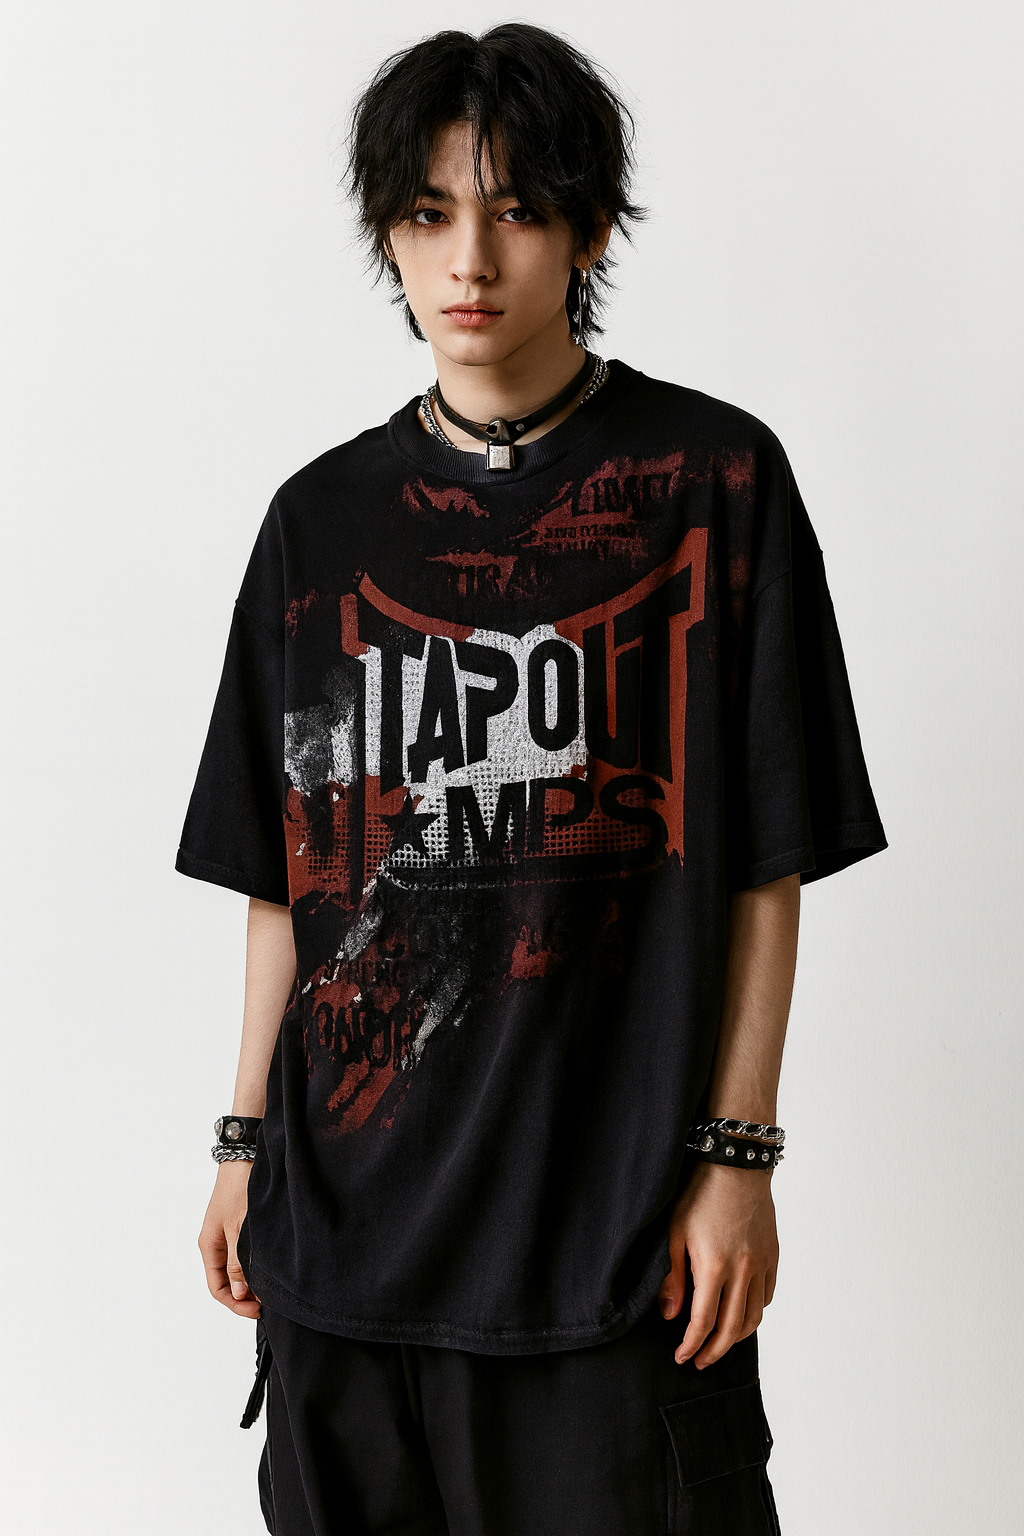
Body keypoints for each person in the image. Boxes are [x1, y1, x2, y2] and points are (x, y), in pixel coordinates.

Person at [179, 22, 886, 1536]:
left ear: (591, 229)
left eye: (516, 210)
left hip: (611, 1253)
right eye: (429, 212)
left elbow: (765, 864)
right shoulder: (319, 523)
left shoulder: (714, 486)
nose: (471, 259)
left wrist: (738, 1159)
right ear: (388, 234)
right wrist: (243, 1144)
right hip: (345, 1259)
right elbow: (286, 880)